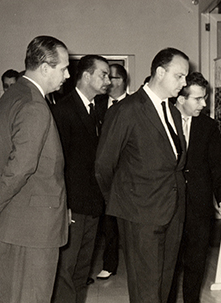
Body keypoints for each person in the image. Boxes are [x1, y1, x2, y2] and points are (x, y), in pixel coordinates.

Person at [0, 35, 70, 303]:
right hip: (33, 229)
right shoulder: (34, 105)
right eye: (63, 68)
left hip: (9, 225)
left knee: (12, 297)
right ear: (46, 68)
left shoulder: (11, 96)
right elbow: (22, 165)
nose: (67, 74)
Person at [95, 47, 189, 303]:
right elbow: (104, 165)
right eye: (179, 76)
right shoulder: (127, 110)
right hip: (139, 213)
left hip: (172, 210)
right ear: (160, 73)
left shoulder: (173, 111)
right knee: (146, 290)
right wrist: (122, 200)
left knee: (164, 286)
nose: (184, 83)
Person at [51, 55, 111, 303]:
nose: (108, 80)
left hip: (92, 204)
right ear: (86, 76)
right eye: (103, 74)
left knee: (81, 270)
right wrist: (64, 206)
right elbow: (57, 165)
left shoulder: (96, 108)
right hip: (72, 206)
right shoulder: (63, 111)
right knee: (66, 269)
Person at [168, 72, 221, 303]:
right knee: (170, 263)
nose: (204, 104)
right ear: (181, 99)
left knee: (196, 261)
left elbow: (216, 164)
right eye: (198, 99)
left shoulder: (208, 126)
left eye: (204, 98)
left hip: (199, 204)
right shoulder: (164, 121)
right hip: (169, 205)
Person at [93, 63, 129, 280]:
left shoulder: (133, 105)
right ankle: (109, 263)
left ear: (123, 80)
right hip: (102, 171)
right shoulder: (97, 104)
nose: (109, 82)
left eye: (113, 78)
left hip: (124, 173)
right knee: (106, 222)